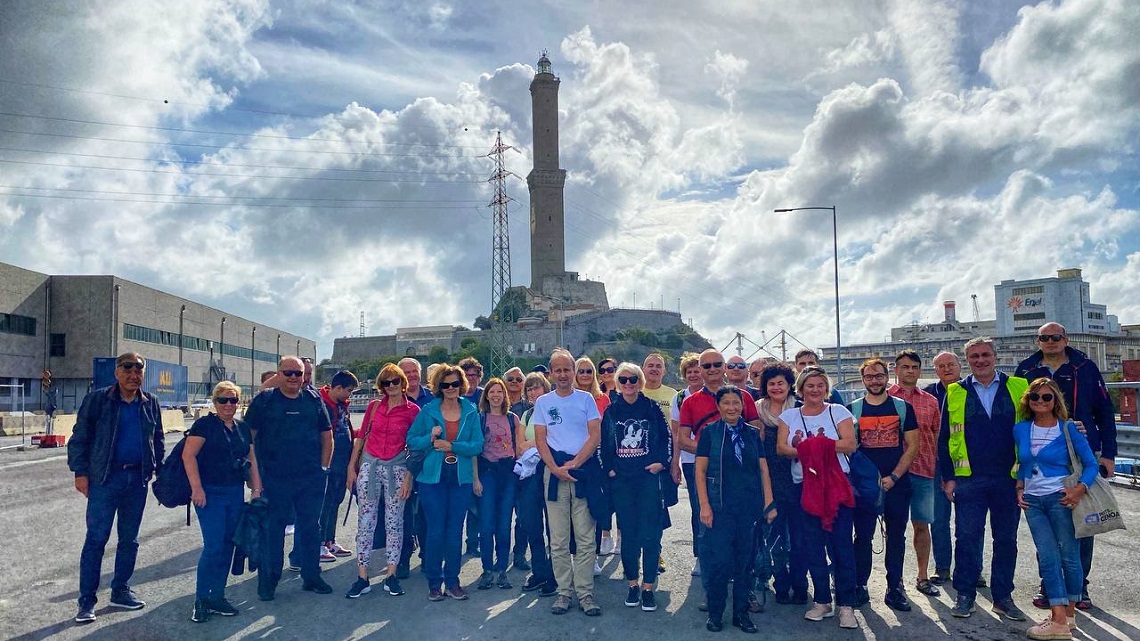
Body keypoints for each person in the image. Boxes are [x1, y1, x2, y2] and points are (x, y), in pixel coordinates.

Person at [1016, 322, 1117, 610]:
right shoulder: (1026, 369)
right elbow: (1020, 412)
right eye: (1044, 338)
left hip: (1079, 451)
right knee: (1045, 523)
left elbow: (1105, 411)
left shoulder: (1084, 366)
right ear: (1038, 341)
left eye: (1055, 337)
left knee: (1081, 519)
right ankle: (1050, 584)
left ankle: (1080, 586)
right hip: (1043, 454)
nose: (1050, 342)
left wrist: (1108, 453)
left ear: (1065, 338)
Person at [68, 352, 165, 624]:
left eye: (139, 369)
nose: (133, 374)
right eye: (127, 368)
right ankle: (87, 601)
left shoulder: (151, 403)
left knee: (129, 539)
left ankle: (120, 590)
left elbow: (157, 440)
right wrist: (80, 473)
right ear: (116, 372)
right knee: (96, 540)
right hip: (105, 480)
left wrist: (160, 471)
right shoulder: (98, 400)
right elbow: (80, 438)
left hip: (137, 481)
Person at [939, 338, 1028, 620]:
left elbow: (1032, 429)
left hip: (1007, 477)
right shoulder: (955, 391)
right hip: (969, 479)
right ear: (967, 360)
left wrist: (1024, 476)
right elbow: (944, 438)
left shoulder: (1018, 387)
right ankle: (965, 594)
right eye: (974, 356)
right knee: (967, 537)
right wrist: (948, 478)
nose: (980, 360)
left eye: (985, 354)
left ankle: (1003, 597)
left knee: (1005, 539)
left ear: (995, 356)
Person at [1015, 377, 1098, 641]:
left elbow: (1091, 465)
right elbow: (1021, 461)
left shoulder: (1068, 428)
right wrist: (1019, 488)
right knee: (1049, 557)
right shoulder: (1021, 428)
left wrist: (1079, 489)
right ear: (1028, 400)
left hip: (1061, 498)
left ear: (1055, 401)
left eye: (1047, 397)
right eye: (1035, 397)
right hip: (1033, 501)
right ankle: (1061, 618)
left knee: (1070, 556)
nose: (1040, 401)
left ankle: (1065, 617)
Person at [245, 356, 334, 601]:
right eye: (289, 373)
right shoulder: (265, 400)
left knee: (310, 529)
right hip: (274, 478)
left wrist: (323, 469)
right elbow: (248, 438)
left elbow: (327, 436)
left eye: (299, 373)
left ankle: (312, 577)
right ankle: (269, 581)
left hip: (310, 478)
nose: (295, 378)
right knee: (272, 532)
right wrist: (254, 478)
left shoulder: (314, 400)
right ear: (279, 374)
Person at [776, 366, 859, 629]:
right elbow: (782, 448)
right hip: (805, 485)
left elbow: (850, 444)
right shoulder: (789, 416)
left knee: (842, 546)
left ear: (827, 388)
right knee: (813, 545)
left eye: (820, 385)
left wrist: (812, 446)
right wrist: (814, 449)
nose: (815, 390)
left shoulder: (838, 411)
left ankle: (846, 604)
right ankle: (822, 599)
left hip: (836, 485)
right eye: (809, 386)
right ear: (800, 389)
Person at [696, 386, 776, 633]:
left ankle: (741, 614)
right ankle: (715, 613)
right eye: (726, 403)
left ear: (742, 405)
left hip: (748, 509)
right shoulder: (709, 433)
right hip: (720, 508)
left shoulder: (753, 433)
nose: (732, 408)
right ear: (718, 406)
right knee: (720, 564)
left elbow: (763, 469)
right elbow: (700, 471)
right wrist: (704, 506)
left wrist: (769, 503)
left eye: (736, 403)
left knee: (745, 564)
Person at [183, 381, 261, 622]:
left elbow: (251, 458)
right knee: (214, 547)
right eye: (223, 400)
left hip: (234, 493)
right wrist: (196, 488)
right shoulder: (204, 425)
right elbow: (189, 455)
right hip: (210, 493)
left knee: (228, 545)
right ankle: (201, 599)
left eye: (233, 400)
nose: (229, 405)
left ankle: (217, 596)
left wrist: (256, 487)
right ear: (215, 402)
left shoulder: (242, 427)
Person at [534, 349, 604, 616]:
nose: (563, 375)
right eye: (558, 370)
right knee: (559, 538)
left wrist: (575, 464)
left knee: (586, 538)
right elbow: (541, 439)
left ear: (574, 372)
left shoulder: (586, 399)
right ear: (551, 373)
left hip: (582, 470)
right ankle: (564, 592)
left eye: (567, 369)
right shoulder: (542, 402)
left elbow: (594, 435)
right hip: (554, 474)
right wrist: (555, 468)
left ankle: (585, 593)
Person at [406, 364, 484, 601]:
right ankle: (433, 582)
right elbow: (411, 440)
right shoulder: (428, 410)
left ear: (461, 385)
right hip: (432, 478)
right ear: (438, 386)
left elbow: (477, 445)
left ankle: (452, 581)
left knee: (454, 531)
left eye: (455, 384)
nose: (451, 388)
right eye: (445, 384)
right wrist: (430, 438)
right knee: (435, 531)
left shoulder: (470, 410)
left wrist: (452, 446)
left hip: (459, 478)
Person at [598, 362, 671, 613]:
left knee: (651, 535)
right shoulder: (612, 410)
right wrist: (609, 469)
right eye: (623, 380)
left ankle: (648, 587)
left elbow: (665, 438)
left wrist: (661, 462)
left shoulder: (651, 408)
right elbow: (603, 444)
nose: (628, 384)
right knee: (628, 534)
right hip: (622, 480)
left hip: (647, 479)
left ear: (640, 382)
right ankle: (632, 584)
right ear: (617, 384)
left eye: (633, 380)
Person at [849, 358, 918, 612]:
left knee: (896, 536)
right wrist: (869, 481)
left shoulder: (902, 407)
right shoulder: (853, 409)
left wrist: (894, 477)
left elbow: (912, 446)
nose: (874, 380)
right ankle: (860, 585)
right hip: (865, 486)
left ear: (887, 377)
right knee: (863, 536)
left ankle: (894, 587)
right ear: (863, 379)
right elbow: (850, 449)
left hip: (897, 483)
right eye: (869, 376)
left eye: (879, 376)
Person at [345, 364, 419, 599]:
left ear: (402, 383)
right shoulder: (374, 407)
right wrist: (351, 467)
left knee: (394, 522)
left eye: (395, 381)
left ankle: (391, 574)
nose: (391, 386)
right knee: (365, 521)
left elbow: (415, 448)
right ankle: (362, 576)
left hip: (397, 468)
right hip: (370, 465)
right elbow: (360, 437)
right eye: (386, 383)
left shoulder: (412, 411)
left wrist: (409, 476)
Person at [888, 350, 943, 598]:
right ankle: (894, 580)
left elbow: (937, 436)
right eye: (904, 367)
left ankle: (922, 576)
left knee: (922, 525)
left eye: (914, 367)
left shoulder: (931, 401)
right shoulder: (885, 398)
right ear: (896, 370)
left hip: (923, 470)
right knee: (893, 528)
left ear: (920, 371)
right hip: (893, 472)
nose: (909, 371)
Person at [756, 362, 808, 606]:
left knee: (799, 539)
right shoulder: (757, 411)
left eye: (781, 383)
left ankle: (800, 585)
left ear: (790, 385)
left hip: (799, 483)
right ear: (765, 386)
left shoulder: (800, 409)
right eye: (771, 383)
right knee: (775, 539)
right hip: (769, 482)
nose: (776, 387)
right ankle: (781, 584)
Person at [473, 377, 520, 590]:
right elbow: (474, 451)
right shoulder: (480, 419)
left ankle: (502, 569)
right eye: (492, 392)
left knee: (503, 524)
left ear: (504, 396)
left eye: (499, 392)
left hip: (508, 472)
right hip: (487, 473)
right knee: (487, 524)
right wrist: (475, 479)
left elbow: (519, 449)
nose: (495, 395)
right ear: (486, 395)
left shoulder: (513, 419)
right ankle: (487, 569)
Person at [516, 372, 558, 596]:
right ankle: (539, 570)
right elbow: (520, 447)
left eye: (537, 387)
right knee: (532, 523)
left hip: (551, 470)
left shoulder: (553, 410)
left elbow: (556, 436)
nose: (533, 392)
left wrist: (537, 442)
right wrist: (541, 441)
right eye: (529, 389)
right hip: (530, 474)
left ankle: (554, 573)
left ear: (546, 388)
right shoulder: (527, 414)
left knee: (554, 526)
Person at [924, 351, 963, 586]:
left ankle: (971, 568)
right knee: (938, 519)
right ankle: (943, 566)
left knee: (968, 523)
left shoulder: (971, 390)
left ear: (960, 366)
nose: (946, 369)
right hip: (936, 464)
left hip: (966, 465)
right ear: (935, 370)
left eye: (951, 364)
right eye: (941, 366)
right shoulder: (929, 394)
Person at [575, 355, 616, 562]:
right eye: (581, 371)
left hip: (597, 457)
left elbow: (608, 433)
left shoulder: (603, 399)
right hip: (574, 456)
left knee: (597, 506)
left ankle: (595, 553)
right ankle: (581, 555)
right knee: (577, 509)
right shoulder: (567, 396)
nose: (584, 375)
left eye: (588, 371)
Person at [669, 352, 705, 577]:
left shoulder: (717, 395)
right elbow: (676, 433)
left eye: (696, 370)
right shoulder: (679, 398)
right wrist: (676, 462)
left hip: (716, 460)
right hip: (691, 460)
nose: (693, 374)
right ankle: (700, 556)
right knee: (698, 509)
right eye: (688, 371)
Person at [317, 371, 358, 562]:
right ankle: (318, 543)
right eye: (349, 391)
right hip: (328, 463)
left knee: (335, 501)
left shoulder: (341, 405)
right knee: (324, 503)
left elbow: (345, 430)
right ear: (338, 388)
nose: (349, 395)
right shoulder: (320, 404)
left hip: (342, 462)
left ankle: (329, 540)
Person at [502, 365, 532, 571]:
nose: (514, 382)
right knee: (502, 514)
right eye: (510, 379)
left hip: (523, 467)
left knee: (523, 515)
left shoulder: (529, 410)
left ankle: (520, 554)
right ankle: (501, 555)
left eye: (518, 380)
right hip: (501, 467)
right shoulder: (495, 405)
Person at [457, 357, 485, 557]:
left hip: (481, 455)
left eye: (473, 375)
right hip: (457, 455)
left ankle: (473, 542)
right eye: (466, 375)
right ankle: (453, 546)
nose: (470, 378)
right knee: (458, 505)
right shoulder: (453, 395)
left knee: (477, 504)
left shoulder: (484, 396)